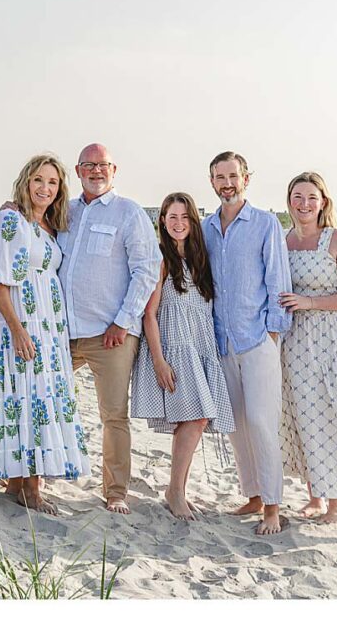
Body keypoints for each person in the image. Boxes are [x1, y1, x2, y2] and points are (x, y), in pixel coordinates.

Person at [0, 154, 91, 514]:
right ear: (26, 182)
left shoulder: (49, 228)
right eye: (38, 180)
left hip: (49, 327)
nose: (45, 188)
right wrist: (18, 330)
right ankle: (31, 488)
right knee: (26, 395)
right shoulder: (10, 220)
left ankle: (16, 482)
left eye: (53, 183)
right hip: (23, 324)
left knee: (38, 393)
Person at [57, 143, 162, 515]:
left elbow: (147, 270)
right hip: (62, 334)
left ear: (114, 170)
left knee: (113, 415)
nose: (96, 171)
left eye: (102, 165)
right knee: (37, 396)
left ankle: (115, 491)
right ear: (77, 169)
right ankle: (25, 478)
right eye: (88, 165)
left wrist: (123, 320)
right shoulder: (63, 211)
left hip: (110, 334)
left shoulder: (128, 213)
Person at [203, 151, 293, 535]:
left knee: (260, 422)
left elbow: (278, 281)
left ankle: (272, 506)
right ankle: (253, 494)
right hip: (222, 342)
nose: (227, 183)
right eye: (220, 177)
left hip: (258, 340)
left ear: (246, 179)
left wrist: (273, 333)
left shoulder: (265, 223)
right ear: (212, 182)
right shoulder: (205, 227)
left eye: (233, 176)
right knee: (237, 424)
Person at [131, 192, 234, 521]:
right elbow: (150, 314)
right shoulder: (160, 259)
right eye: (172, 217)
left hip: (199, 348)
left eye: (185, 217)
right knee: (196, 417)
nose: (178, 224)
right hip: (174, 349)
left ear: (193, 221)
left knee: (196, 418)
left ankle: (178, 488)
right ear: (162, 220)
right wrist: (159, 360)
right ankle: (175, 490)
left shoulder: (200, 261)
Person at [277, 172, 337, 524]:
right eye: (297, 197)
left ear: (323, 202)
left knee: (333, 413)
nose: (304, 204)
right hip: (293, 339)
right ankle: (315, 495)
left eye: (311, 197)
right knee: (300, 414)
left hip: (330, 339)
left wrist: (310, 303)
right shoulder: (283, 240)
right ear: (289, 201)